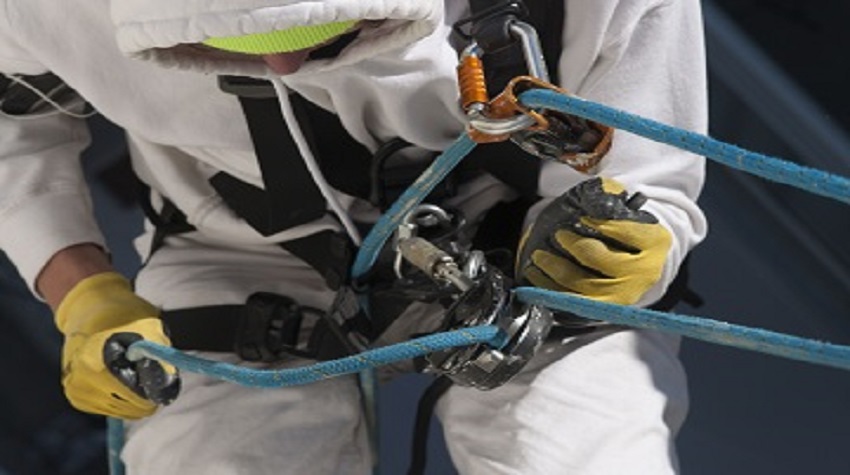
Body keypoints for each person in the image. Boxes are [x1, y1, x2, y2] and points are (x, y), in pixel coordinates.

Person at [0, 0, 708, 473]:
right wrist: (81, 290)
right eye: (223, 45)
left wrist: (619, 248)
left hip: (524, 237)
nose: (282, 68)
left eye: (324, 35)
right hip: (236, 247)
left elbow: (646, 171)